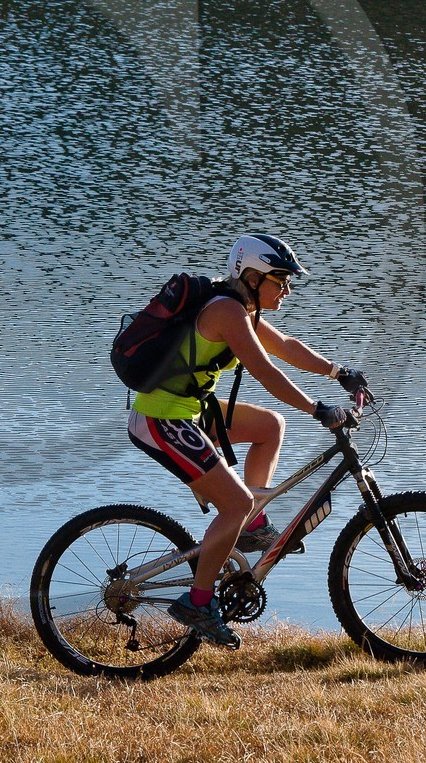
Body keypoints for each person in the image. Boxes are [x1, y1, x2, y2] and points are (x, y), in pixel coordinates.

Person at [127, 233, 372, 648]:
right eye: (281, 280)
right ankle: (198, 602)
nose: (288, 290)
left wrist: (338, 370)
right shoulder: (226, 312)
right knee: (234, 502)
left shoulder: (245, 310)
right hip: (161, 418)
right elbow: (266, 371)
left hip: (191, 410)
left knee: (270, 427)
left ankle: (252, 523)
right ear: (253, 276)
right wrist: (317, 409)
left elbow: (287, 348)